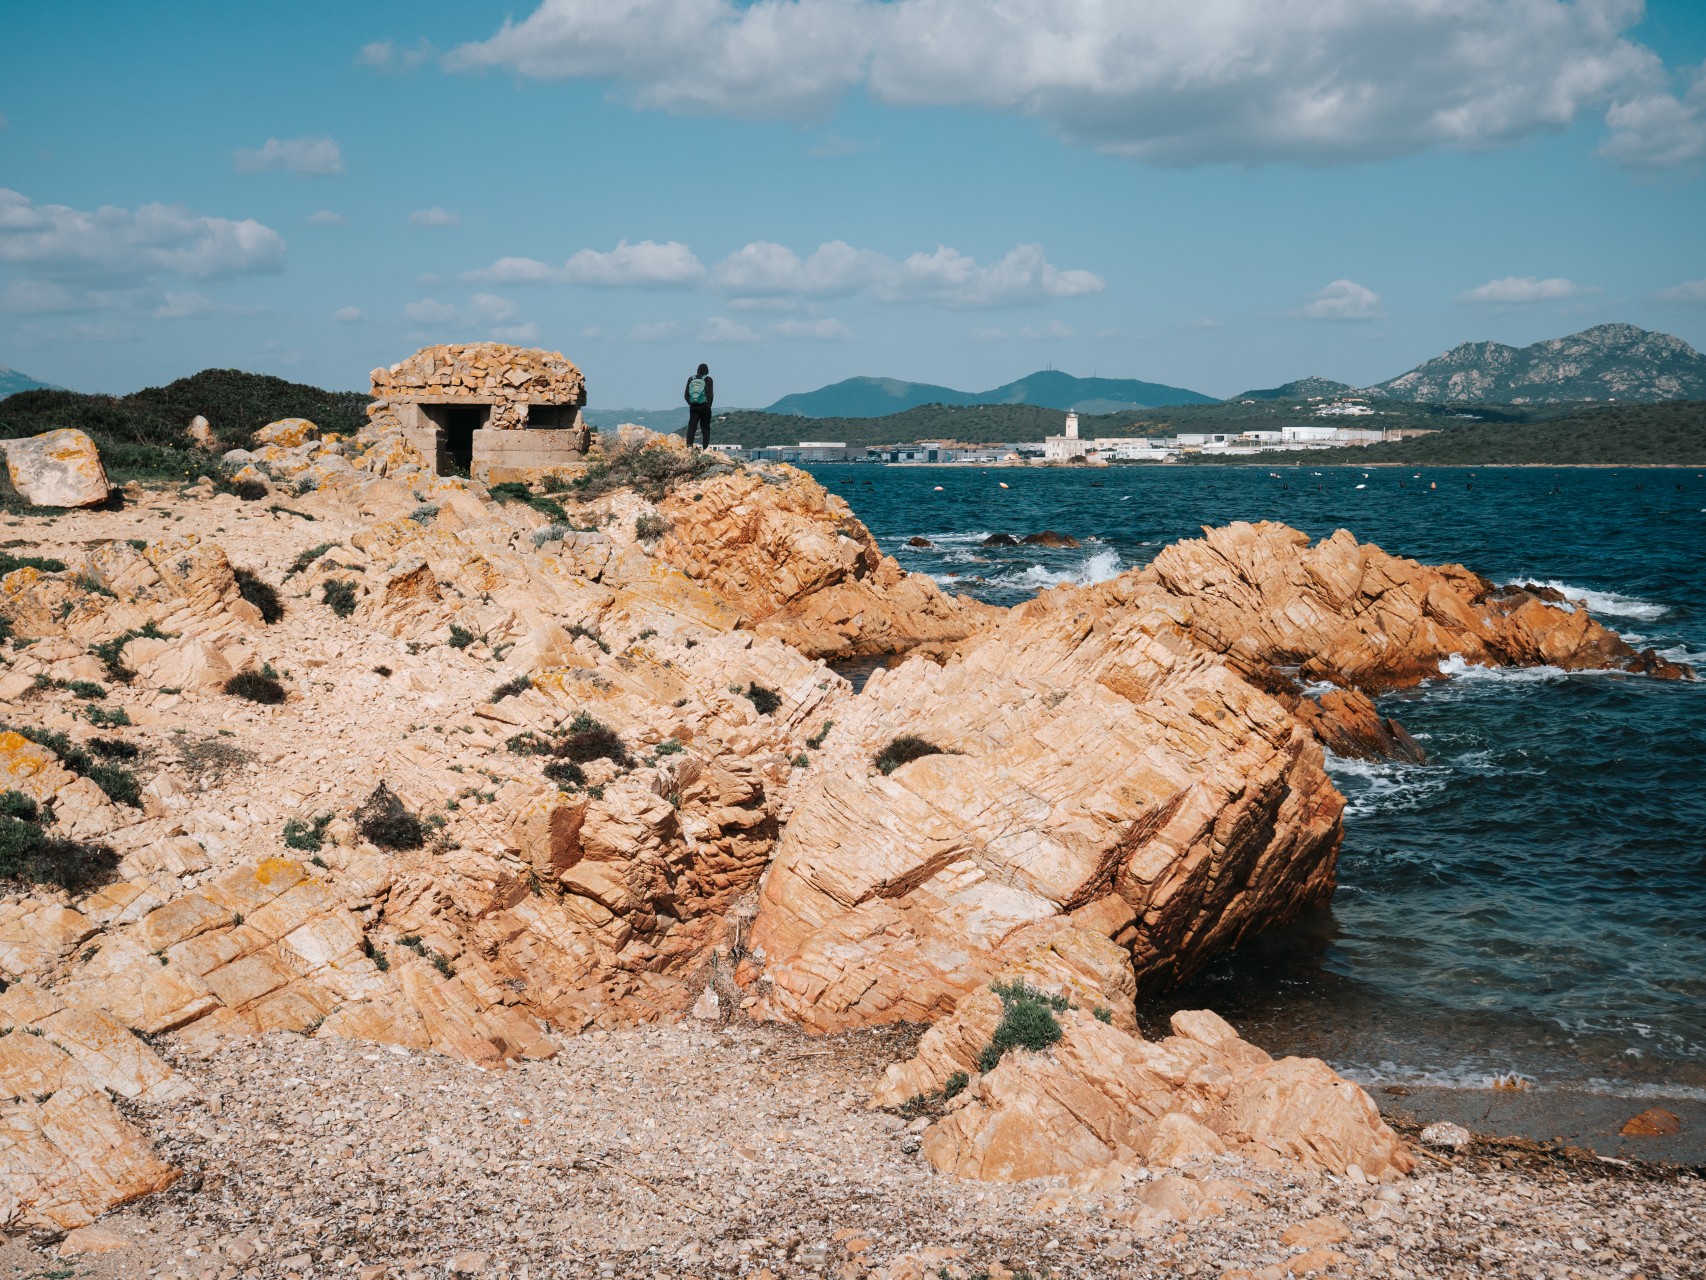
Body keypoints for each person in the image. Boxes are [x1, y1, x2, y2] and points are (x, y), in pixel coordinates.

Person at [683, 363, 713, 449]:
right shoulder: (708, 379)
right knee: (705, 429)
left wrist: (691, 403)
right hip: (705, 407)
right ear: (707, 370)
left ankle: (689, 447)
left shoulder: (691, 379)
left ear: (698, 370)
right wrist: (708, 405)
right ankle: (705, 448)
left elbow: (686, 395)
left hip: (694, 407)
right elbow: (710, 395)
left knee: (692, 427)